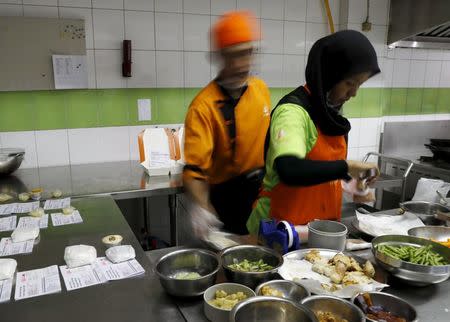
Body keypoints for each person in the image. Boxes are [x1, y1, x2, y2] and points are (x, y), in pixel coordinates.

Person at [247, 30, 380, 236]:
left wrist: (353, 182)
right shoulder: (292, 113)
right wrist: (347, 166)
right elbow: (290, 169)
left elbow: (323, 168)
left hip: (320, 235)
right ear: (329, 75)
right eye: (349, 83)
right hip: (279, 235)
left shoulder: (330, 117)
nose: (353, 93)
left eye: (359, 85)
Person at [183, 11, 271, 237]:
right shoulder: (203, 107)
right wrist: (201, 208)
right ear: (220, 56)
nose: (243, 64)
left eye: (248, 53)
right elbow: (195, 171)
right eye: (234, 56)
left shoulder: (260, 90)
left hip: (262, 194)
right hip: (226, 200)